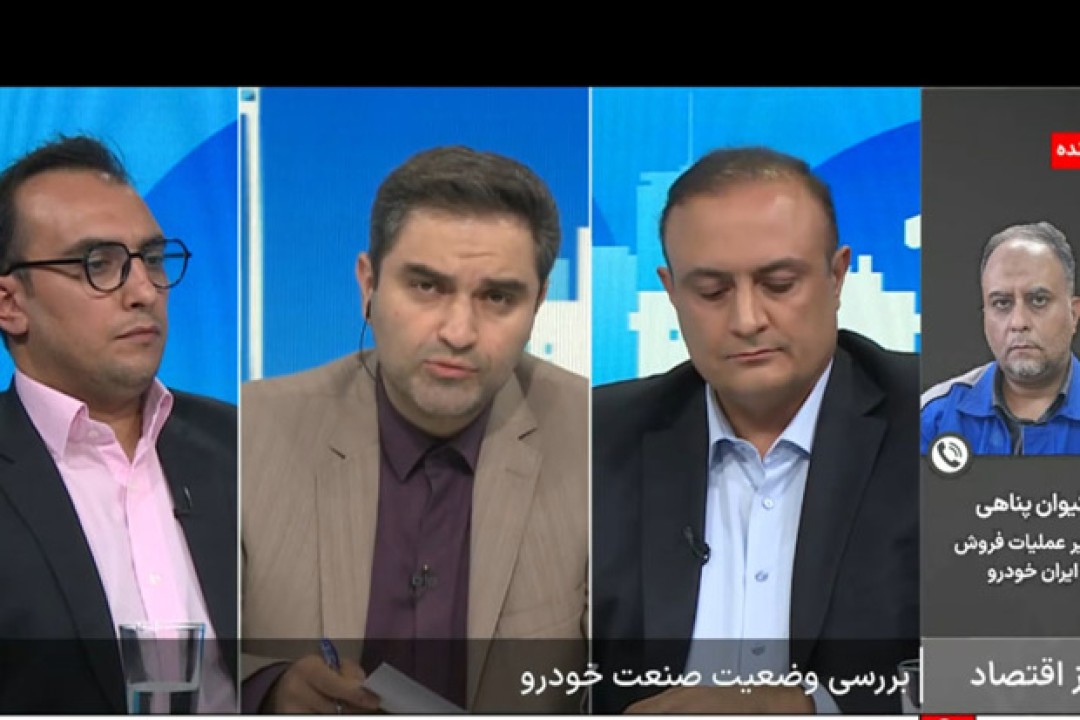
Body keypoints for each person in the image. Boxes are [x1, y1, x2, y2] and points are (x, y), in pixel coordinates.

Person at [241, 145, 588, 713]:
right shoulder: (252, 433)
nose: (459, 332)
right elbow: (183, 655)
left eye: (498, 297)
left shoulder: (597, 440)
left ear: (538, 303)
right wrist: (270, 690)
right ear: (368, 285)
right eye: (427, 287)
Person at [591, 146, 918, 714]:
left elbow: (1029, 666)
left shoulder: (947, 424)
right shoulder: (599, 437)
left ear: (836, 276)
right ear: (672, 293)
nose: (747, 320)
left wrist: (811, 708)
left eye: (779, 284)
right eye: (712, 292)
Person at [0, 135, 238, 713]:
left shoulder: (241, 444)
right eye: (98, 264)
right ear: (10, 303)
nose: (144, 292)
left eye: (152, 259)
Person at [922, 221, 1080, 455]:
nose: (1018, 322)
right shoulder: (935, 417)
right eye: (1002, 303)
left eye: (1038, 300)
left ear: (1073, 314)